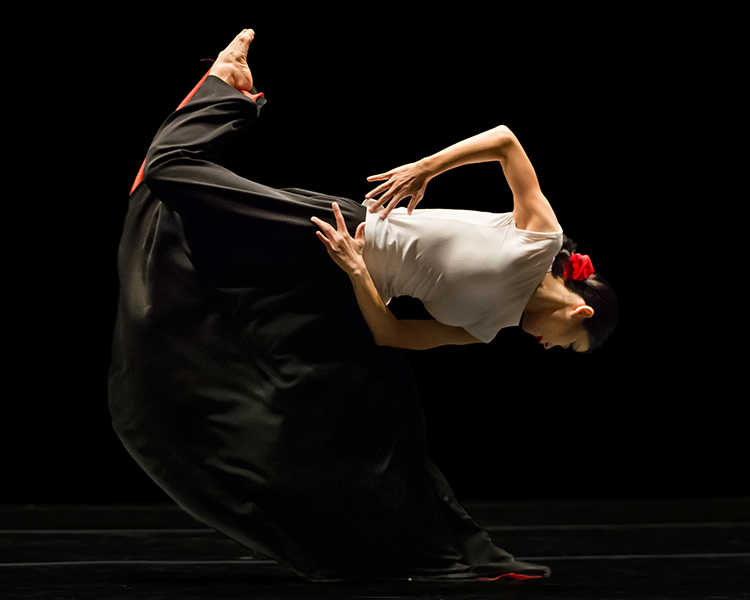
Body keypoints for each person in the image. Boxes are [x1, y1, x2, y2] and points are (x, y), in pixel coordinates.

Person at [109, 29, 616, 583]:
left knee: (375, 422)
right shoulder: (539, 241)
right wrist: (427, 168)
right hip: (337, 229)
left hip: (335, 277)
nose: (549, 347)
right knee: (170, 177)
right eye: (566, 344)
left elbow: (392, 334)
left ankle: (447, 554)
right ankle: (225, 90)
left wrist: (355, 274)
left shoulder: (486, 329)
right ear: (579, 312)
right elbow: (504, 140)